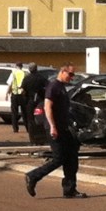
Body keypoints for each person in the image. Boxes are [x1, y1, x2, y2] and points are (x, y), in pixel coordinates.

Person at [24, 64, 85, 198]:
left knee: (72, 157)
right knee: (58, 158)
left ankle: (70, 189)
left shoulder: (62, 88)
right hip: (55, 128)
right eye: (70, 74)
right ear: (62, 72)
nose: (72, 77)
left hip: (64, 128)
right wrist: (52, 126)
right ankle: (33, 176)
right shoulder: (53, 86)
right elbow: (48, 107)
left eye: (73, 74)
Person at [20, 64, 49, 143]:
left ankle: (32, 138)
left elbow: (22, 90)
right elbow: (48, 86)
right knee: (41, 118)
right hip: (40, 102)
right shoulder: (41, 78)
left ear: (29, 69)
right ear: (36, 69)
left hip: (30, 101)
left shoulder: (26, 78)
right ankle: (42, 137)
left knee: (30, 120)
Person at [8, 62, 27, 132]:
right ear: (22, 66)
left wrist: (7, 93)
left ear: (16, 66)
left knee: (14, 113)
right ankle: (28, 128)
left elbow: (10, 84)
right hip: (22, 94)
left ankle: (15, 129)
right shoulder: (25, 73)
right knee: (24, 112)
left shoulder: (13, 73)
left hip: (15, 94)